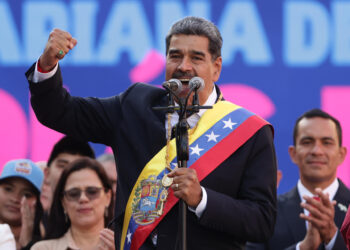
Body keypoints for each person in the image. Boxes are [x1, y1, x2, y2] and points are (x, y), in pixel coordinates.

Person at [26, 16, 277, 249]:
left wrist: (202, 199)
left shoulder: (250, 132)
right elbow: (59, 112)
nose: (184, 67)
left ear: (216, 67)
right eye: (175, 56)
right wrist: (47, 65)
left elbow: (262, 223)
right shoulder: (134, 105)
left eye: (196, 58)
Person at [247, 108, 350, 250]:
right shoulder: (267, 211)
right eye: (307, 142)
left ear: (341, 154)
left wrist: (332, 237)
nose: (316, 151)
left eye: (326, 142)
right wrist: (302, 247)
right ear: (293, 153)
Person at [31, 157, 114, 250]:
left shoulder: (126, 245)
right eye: (74, 193)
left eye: (92, 191)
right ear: (63, 203)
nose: (83, 199)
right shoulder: (43, 248)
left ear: (108, 197)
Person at [0, 159, 44, 249]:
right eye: (8, 189)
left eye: (26, 194)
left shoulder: (48, 245)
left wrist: (27, 243)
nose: (15, 199)